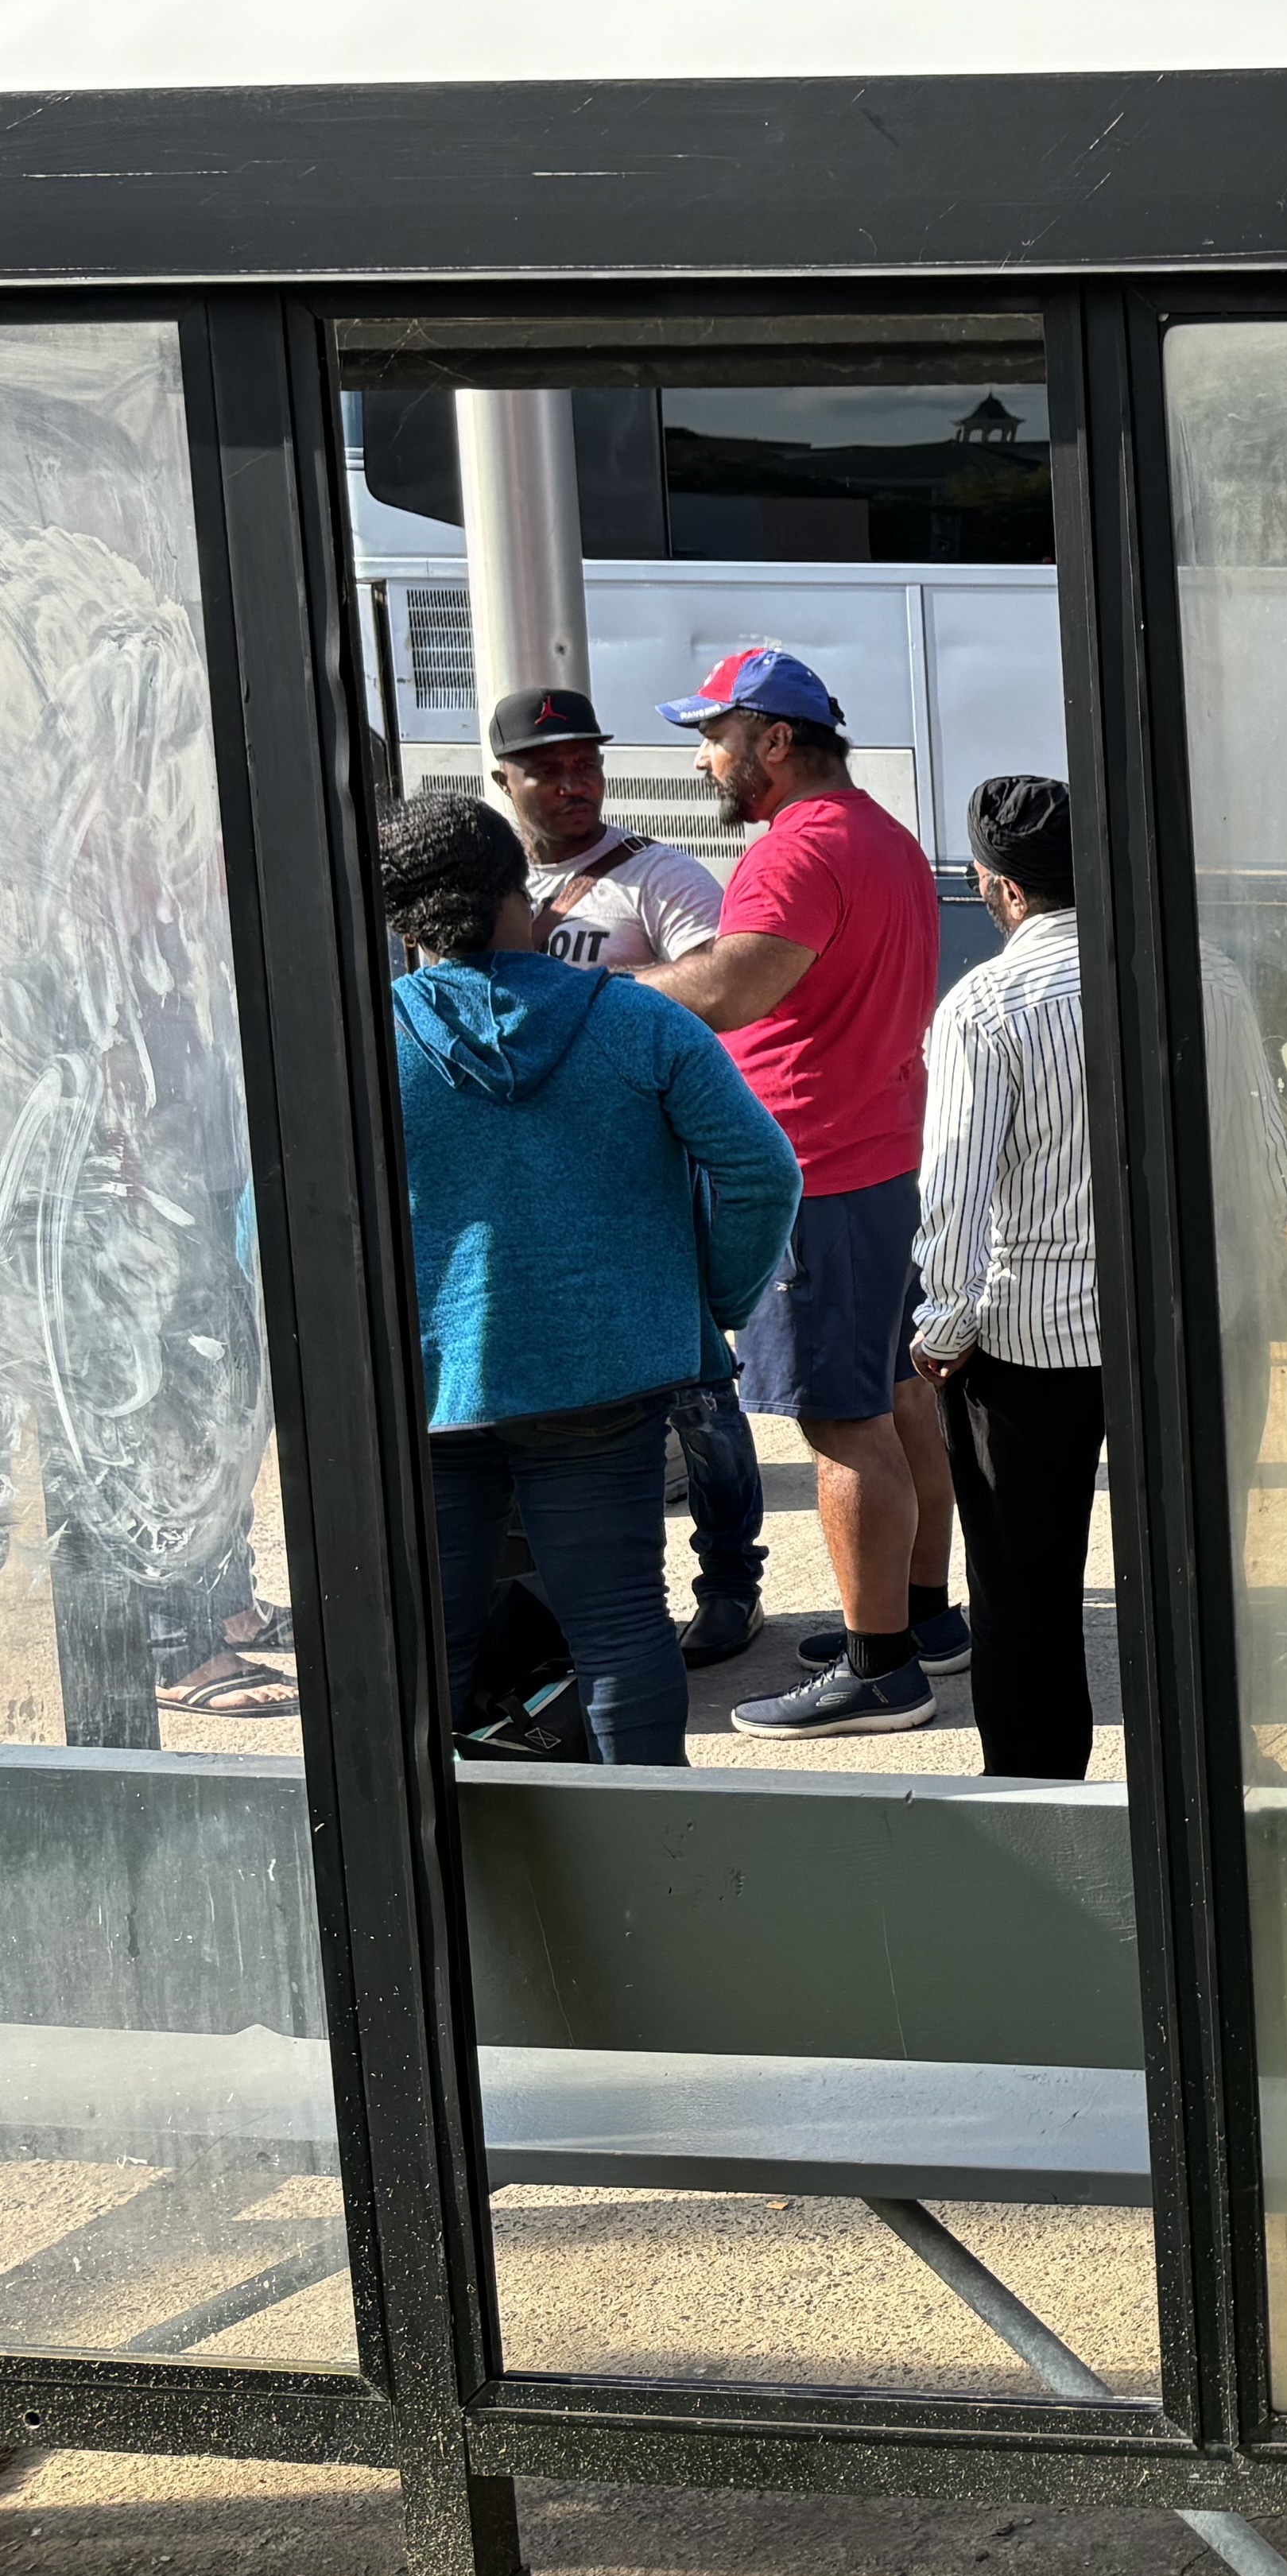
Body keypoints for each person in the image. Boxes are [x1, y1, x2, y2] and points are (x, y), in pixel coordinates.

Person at [379, 790, 797, 1768]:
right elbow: (763, 1171)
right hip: (606, 1372)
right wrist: (710, 1301)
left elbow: (264, 1223)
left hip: (419, 1381)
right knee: (618, 1625)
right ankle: (656, 1862)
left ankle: (452, 1879)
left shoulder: (354, 1043)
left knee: (425, 1640)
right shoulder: (640, 1023)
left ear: (398, 917)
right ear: (521, 888)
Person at [630, 646, 961, 1736]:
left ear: (773, 741)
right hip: (881, 1160)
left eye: (714, 740)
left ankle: (878, 1673)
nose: (705, 765)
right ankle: (920, 1622)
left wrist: (585, 989)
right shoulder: (883, 835)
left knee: (842, 1425)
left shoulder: (794, 849)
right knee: (899, 1397)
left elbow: (727, 992)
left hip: (814, 1174)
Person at [486, 680, 770, 1669]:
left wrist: (582, 1000)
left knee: (698, 1386)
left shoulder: (659, 877)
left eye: (587, 765)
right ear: (504, 779)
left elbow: (719, 1002)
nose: (575, 784)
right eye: (550, 770)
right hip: (531, 1183)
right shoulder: (487, 885)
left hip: (651, 1166)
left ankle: (732, 1580)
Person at [913, 777, 1106, 1781]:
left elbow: (953, 1185)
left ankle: (1040, 1795)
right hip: (1175, 1335)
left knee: (1023, 1590)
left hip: (1030, 1342)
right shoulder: (1207, 975)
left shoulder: (986, 1003)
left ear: (1000, 889)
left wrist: (943, 1325)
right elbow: (1262, 1146)